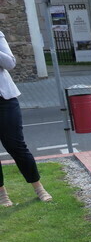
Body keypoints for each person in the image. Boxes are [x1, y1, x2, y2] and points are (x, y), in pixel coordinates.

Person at [0, 30, 52, 207]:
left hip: (5, 100)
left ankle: (38, 187)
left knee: (16, 146)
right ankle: (2, 194)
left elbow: (10, 63)